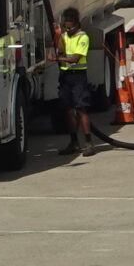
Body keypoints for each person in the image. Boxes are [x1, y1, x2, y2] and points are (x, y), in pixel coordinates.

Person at [54, 8, 100, 156]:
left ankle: (88, 143)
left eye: (70, 27)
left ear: (77, 24)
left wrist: (57, 59)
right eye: (65, 27)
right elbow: (60, 50)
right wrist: (58, 36)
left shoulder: (83, 37)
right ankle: (73, 142)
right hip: (66, 76)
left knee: (81, 109)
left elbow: (75, 59)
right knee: (68, 110)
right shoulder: (65, 36)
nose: (67, 29)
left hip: (78, 77)